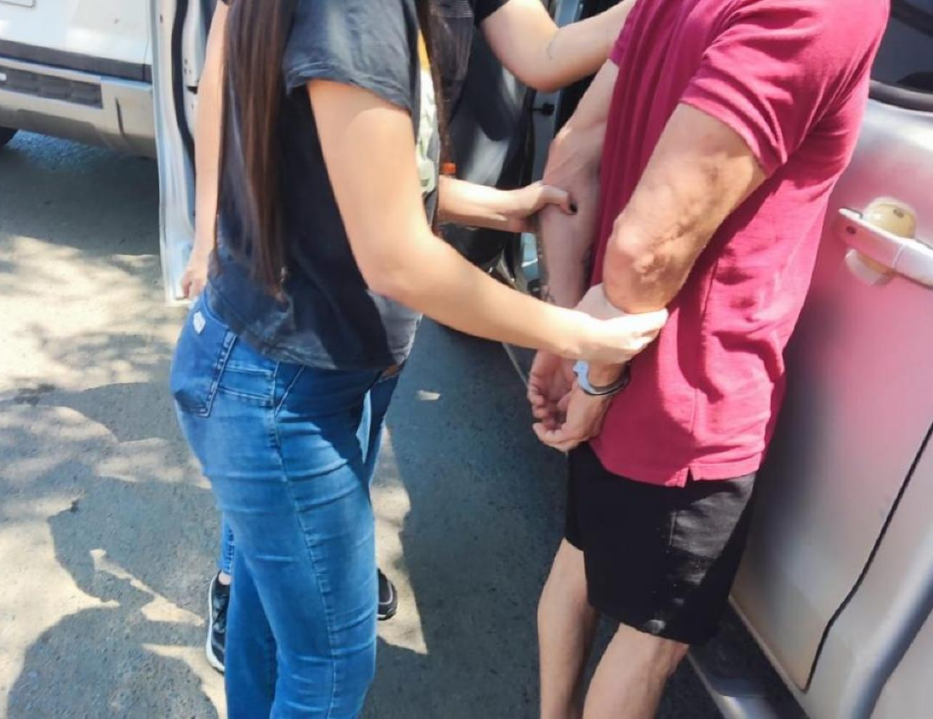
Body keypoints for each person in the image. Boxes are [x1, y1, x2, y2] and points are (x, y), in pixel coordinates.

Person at [170, 0, 666, 716]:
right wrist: (573, 334)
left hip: (299, 365)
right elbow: (396, 257)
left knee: (274, 619)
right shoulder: (358, 11)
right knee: (330, 664)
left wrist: (498, 206)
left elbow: (367, 174)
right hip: (279, 383)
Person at [527, 0, 890, 717]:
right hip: (694, 395)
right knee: (650, 645)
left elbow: (573, 151)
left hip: (621, 351)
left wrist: (570, 334)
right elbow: (644, 246)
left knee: (580, 560)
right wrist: (596, 374)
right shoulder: (832, 10)